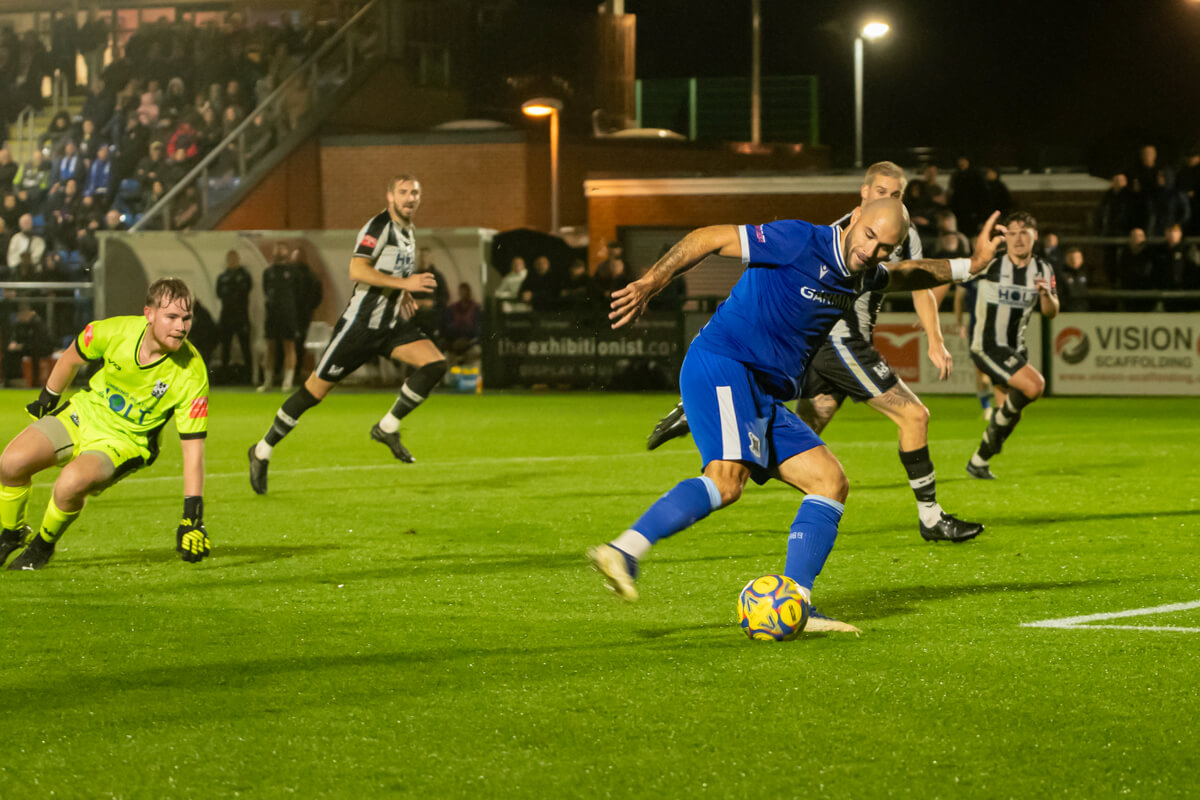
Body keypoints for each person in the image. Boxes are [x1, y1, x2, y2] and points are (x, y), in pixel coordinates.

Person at [588, 197, 1004, 631]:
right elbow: (709, 238)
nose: (871, 250)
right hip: (725, 363)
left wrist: (969, 265)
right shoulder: (798, 239)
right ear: (854, 218)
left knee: (830, 482)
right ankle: (625, 550)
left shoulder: (861, 272)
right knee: (726, 481)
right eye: (868, 236)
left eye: (884, 246)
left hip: (763, 392)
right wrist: (652, 282)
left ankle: (797, 604)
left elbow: (903, 276)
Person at [646, 163, 983, 543]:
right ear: (863, 196)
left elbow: (910, 276)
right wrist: (653, 280)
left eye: (897, 194)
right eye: (882, 192)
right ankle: (931, 516)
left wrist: (958, 285)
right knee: (914, 416)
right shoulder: (837, 233)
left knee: (803, 448)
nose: (887, 201)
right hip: (843, 342)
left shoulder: (896, 236)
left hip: (811, 350)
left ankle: (717, 413)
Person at [247, 175, 442, 494]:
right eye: (403, 192)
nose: (410, 197)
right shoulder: (379, 227)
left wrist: (402, 292)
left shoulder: (408, 229)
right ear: (389, 195)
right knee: (313, 393)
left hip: (390, 325)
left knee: (435, 364)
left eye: (415, 192)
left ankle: (387, 427)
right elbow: (358, 270)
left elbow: (392, 270)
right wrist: (405, 285)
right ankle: (261, 450)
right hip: (360, 328)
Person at [0, 278, 211, 570]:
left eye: (187, 318)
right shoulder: (116, 331)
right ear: (149, 314)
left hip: (125, 442)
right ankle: (11, 533)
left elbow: (193, 451)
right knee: (10, 463)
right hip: (85, 413)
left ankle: (42, 546)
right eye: (172, 317)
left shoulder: (191, 373)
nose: (181, 326)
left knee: (69, 485)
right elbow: (72, 356)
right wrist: (47, 398)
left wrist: (192, 517)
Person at [965, 211, 1059, 480]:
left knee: (1010, 414)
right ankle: (987, 442)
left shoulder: (1043, 269)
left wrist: (1046, 296)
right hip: (988, 346)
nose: (1018, 239)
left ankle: (978, 461)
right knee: (1035, 385)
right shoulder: (991, 263)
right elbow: (955, 276)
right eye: (1013, 233)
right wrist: (930, 318)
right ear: (1005, 237)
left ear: (1035, 236)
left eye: (1024, 233)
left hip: (1016, 348)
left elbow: (1052, 311)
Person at [258, 242, 304, 392]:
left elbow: (299, 293)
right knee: (270, 347)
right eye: (276, 248)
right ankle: (268, 381)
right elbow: (266, 290)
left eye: (282, 248)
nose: (279, 251)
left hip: (289, 315)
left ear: (286, 251)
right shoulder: (268, 272)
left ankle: (288, 381)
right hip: (272, 315)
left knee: (289, 346)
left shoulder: (293, 272)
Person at [215, 249, 252, 383]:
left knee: (245, 347)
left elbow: (245, 292)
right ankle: (224, 377)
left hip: (241, 317)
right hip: (226, 317)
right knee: (225, 347)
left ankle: (249, 377)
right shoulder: (222, 277)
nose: (231, 261)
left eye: (234, 259)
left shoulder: (245, 276)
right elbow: (219, 294)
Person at [443, 282, 481, 366]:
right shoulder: (453, 308)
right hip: (456, 335)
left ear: (469, 293)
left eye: (465, 291)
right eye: (462, 291)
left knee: (460, 344)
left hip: (469, 336)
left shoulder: (476, 308)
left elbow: (477, 328)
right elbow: (449, 325)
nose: (464, 294)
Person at [1055, 246, 1089, 313]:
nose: (1074, 260)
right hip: (1067, 312)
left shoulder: (1087, 274)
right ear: (1065, 259)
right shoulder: (1060, 275)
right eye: (1071, 258)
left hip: (1085, 311)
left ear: (1082, 259)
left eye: (1077, 258)